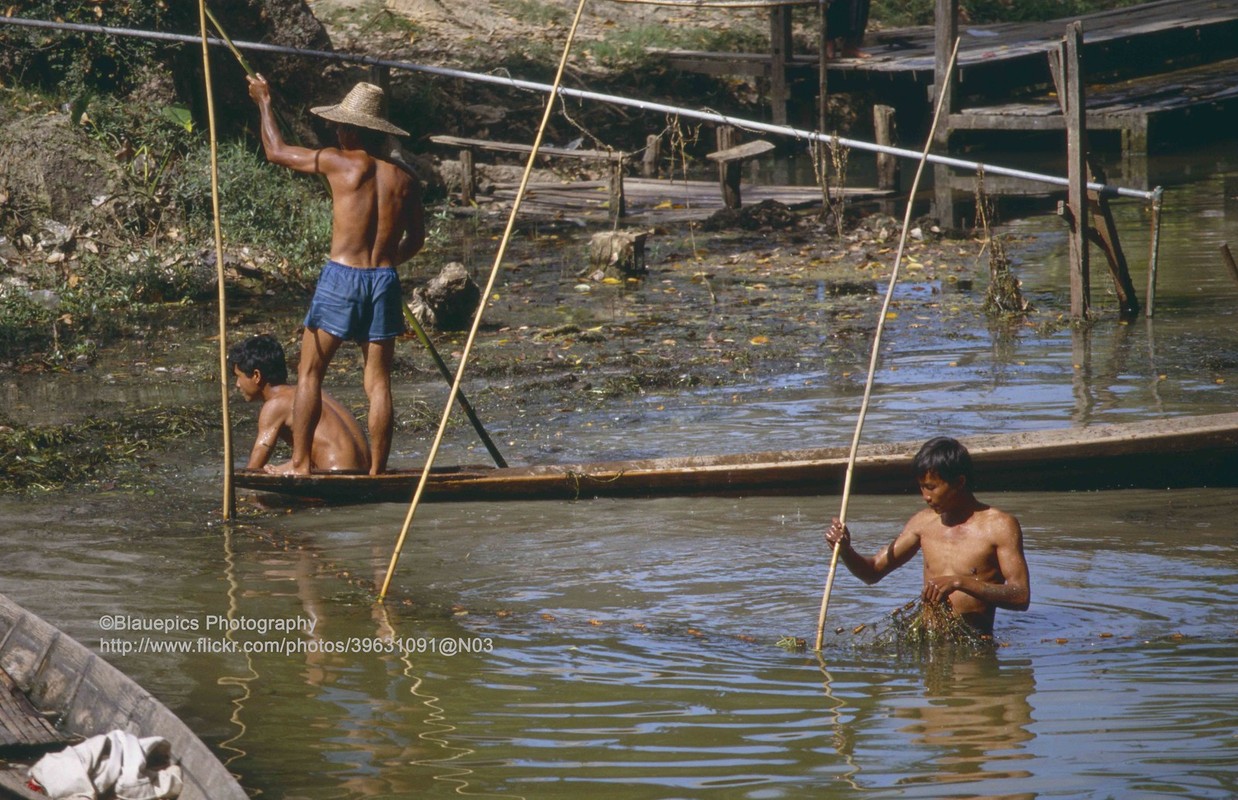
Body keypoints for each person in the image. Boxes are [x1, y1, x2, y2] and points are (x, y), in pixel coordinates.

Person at [246, 75, 425, 475]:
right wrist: (385, 264)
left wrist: (263, 102)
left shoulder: (338, 160)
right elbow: (417, 239)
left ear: (352, 130)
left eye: (341, 125)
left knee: (310, 373)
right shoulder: (405, 179)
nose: (336, 130)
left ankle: (300, 464)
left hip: (342, 277)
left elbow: (275, 151)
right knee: (378, 384)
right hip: (383, 280)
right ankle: (378, 472)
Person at [823, 436, 1030, 635]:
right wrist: (846, 550)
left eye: (931, 487)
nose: (925, 497)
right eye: (922, 487)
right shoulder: (923, 523)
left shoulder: (999, 526)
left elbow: (1020, 596)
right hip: (929, 640)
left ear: (959, 482)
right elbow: (872, 572)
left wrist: (960, 582)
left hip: (974, 646)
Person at [229, 334, 370, 473]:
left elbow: (254, 467)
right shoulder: (310, 393)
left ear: (256, 376)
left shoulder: (275, 405)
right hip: (365, 470)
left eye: (238, 377)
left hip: (337, 473)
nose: (237, 384)